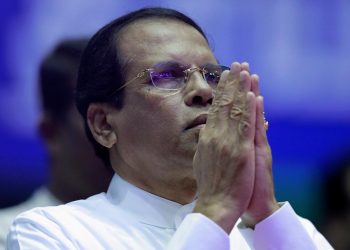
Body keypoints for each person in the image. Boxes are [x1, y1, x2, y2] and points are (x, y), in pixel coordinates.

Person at [6, 7, 333, 249]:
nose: (203, 91)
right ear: (104, 125)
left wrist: (266, 210)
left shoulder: (287, 232)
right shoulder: (52, 233)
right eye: (166, 76)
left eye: (212, 75)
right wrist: (215, 209)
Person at [1, 39, 112, 248]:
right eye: (100, 120)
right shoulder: (7, 236)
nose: (116, 134)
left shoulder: (176, 228)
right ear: (50, 132)